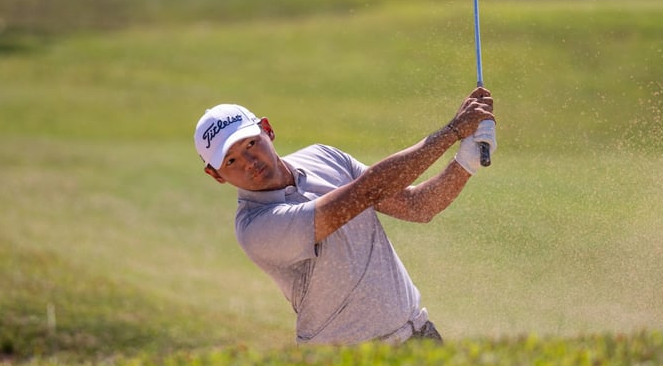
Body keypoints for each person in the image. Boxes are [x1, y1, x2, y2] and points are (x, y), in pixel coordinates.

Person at [194, 88, 496, 346]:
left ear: (267, 130)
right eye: (231, 160)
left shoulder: (324, 157)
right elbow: (364, 193)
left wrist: (465, 161)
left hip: (420, 337)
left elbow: (418, 206)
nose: (249, 162)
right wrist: (452, 131)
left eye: (251, 144)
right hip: (348, 363)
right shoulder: (256, 226)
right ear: (215, 174)